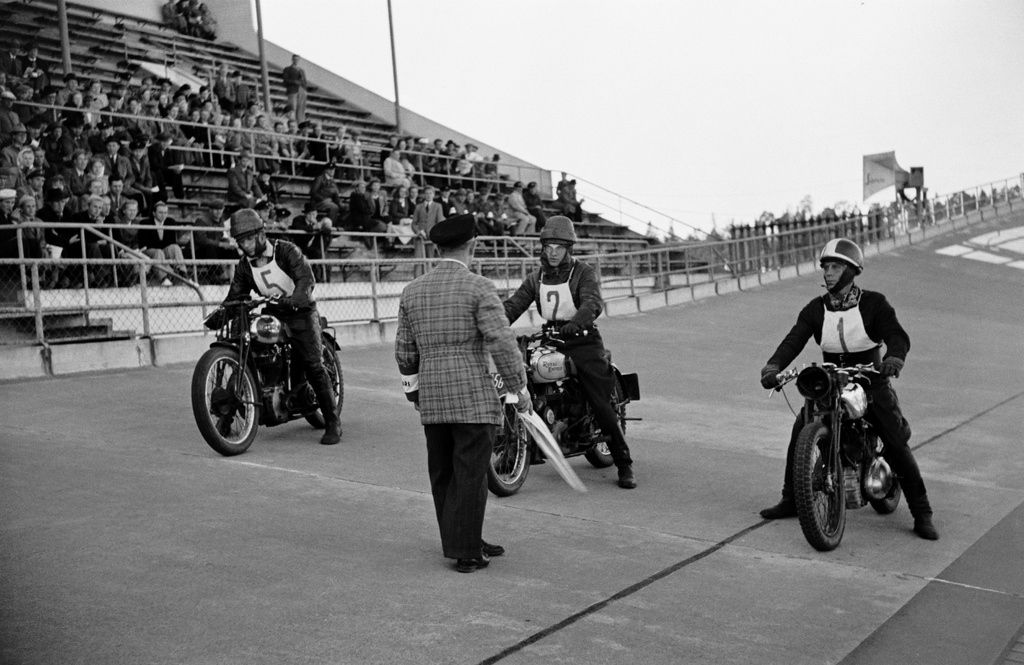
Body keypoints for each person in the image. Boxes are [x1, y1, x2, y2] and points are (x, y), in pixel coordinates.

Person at [757, 238, 938, 540]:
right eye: (826, 267)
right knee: (801, 428)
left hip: (871, 379)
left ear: (852, 270)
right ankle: (792, 499)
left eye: (835, 266)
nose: (828, 272)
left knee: (895, 441)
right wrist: (773, 366)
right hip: (832, 381)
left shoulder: (874, 304)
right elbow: (794, 339)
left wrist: (894, 358)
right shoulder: (816, 309)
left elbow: (897, 335)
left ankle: (922, 512)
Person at [394, 213, 530, 573]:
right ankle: (466, 551)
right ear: (473, 244)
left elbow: (405, 351)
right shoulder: (479, 287)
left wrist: (414, 393)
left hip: (433, 396)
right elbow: (501, 340)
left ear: (438, 248)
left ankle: (463, 538)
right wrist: (518, 387)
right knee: (471, 473)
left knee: (444, 474)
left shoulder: (412, 291)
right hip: (472, 394)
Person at [502, 216, 637, 489]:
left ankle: (624, 462)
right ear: (543, 248)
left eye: (559, 247)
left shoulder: (583, 273)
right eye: (549, 247)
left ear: (568, 248)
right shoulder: (536, 278)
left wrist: (577, 322)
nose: (553, 253)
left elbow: (592, 302)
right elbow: (513, 306)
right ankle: (513, 449)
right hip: (551, 338)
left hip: (582, 340)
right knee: (522, 374)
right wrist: (490, 322)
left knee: (600, 401)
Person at [210, 208, 342, 445]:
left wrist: (296, 299)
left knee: (313, 364)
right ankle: (228, 416)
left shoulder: (286, 251)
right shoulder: (244, 266)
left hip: (301, 312)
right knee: (247, 352)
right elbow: (235, 297)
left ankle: (333, 421)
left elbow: (306, 279)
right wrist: (219, 316)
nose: (246, 245)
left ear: (261, 234)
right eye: (241, 241)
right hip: (273, 312)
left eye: (249, 239)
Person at [281, 54, 308, 123]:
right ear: (292, 59)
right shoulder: (287, 69)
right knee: (292, 107)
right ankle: (292, 121)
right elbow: (285, 81)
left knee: (301, 107)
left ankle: (300, 122)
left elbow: (305, 81)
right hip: (293, 90)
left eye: (297, 59)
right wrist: (294, 82)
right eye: (295, 59)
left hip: (301, 90)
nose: (296, 61)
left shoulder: (301, 70)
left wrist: (304, 88)